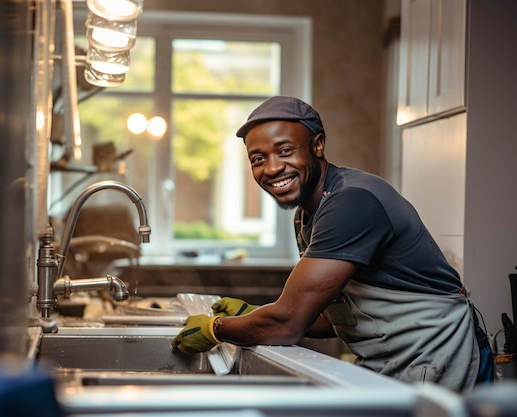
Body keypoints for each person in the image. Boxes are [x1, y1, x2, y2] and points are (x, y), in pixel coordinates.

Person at [171, 96, 494, 392]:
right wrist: (253, 316)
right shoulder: (308, 213)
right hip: (396, 363)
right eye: (258, 158)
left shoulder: (351, 201)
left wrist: (218, 328)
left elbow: (288, 324)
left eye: (285, 151)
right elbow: (335, 316)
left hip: (438, 359)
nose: (272, 168)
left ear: (318, 145)